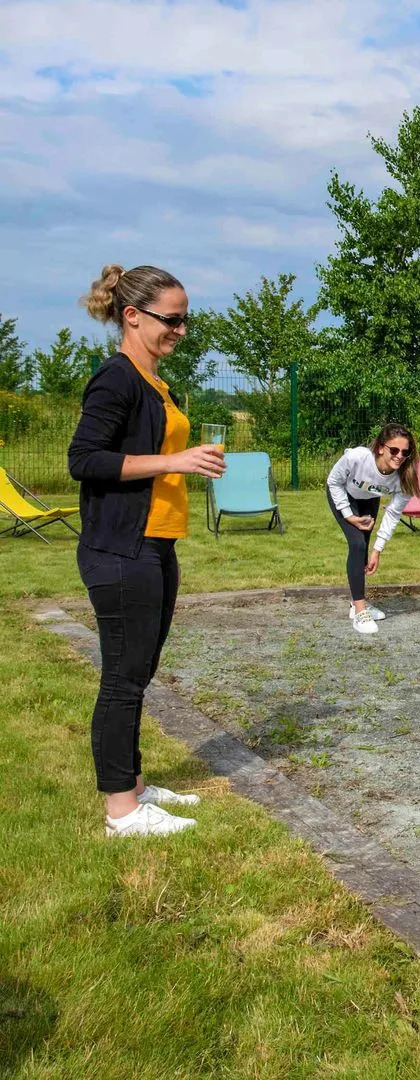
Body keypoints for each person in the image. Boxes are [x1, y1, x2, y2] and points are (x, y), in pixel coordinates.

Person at [69, 264, 226, 838]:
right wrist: (175, 462)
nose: (181, 330)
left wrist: (187, 460)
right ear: (132, 316)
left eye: (185, 320)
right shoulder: (116, 379)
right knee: (122, 677)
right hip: (119, 549)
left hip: (156, 544)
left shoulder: (155, 381)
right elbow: (84, 459)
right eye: (172, 319)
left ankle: (131, 786)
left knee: (139, 670)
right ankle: (121, 812)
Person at [325, 424, 420, 634]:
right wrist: (349, 516)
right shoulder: (357, 457)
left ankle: (355, 603)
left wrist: (378, 549)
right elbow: (333, 482)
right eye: (394, 450)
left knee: (365, 549)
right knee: (357, 544)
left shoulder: (405, 477)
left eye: (405, 452)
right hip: (343, 494)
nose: (399, 456)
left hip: (369, 498)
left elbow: (393, 514)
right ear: (380, 448)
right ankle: (360, 612)